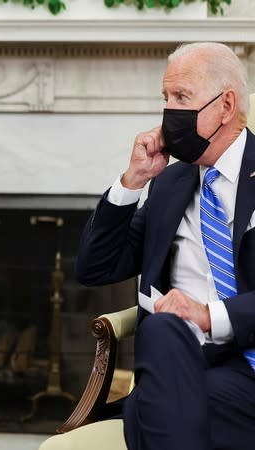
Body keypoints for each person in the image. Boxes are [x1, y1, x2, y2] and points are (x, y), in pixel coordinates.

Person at [76, 42, 255, 450]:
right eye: (165, 99)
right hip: (182, 362)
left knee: (148, 409)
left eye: (181, 98)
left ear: (226, 105)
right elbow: (94, 268)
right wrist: (131, 182)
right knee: (161, 330)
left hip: (248, 363)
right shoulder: (169, 184)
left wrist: (209, 315)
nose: (169, 112)